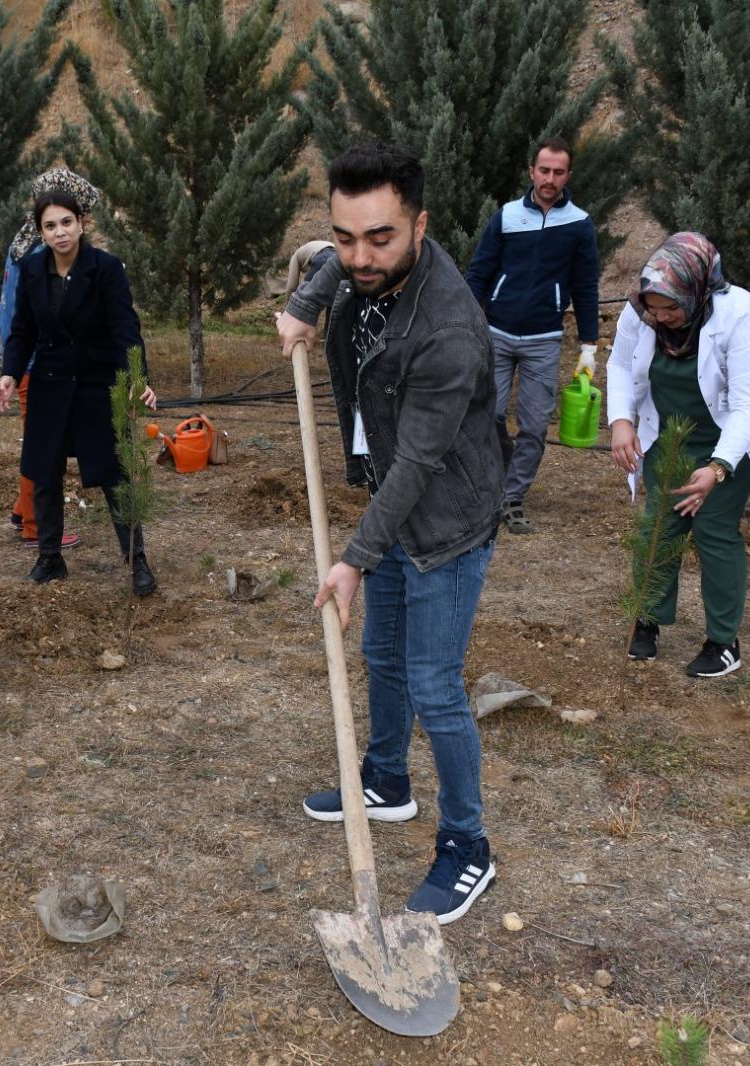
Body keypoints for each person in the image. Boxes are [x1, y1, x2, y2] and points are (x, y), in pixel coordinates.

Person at [276, 142, 503, 926]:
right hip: (393, 504)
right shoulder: (358, 261)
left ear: (421, 225)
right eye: (345, 235)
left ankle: (469, 846)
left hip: (443, 522)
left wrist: (353, 559)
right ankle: (386, 782)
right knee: (379, 654)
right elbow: (335, 265)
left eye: (380, 238)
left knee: (436, 683)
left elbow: (416, 465)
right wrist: (308, 299)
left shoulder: (449, 332)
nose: (359, 255)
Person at [607, 232, 750, 677]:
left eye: (671, 308)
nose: (661, 318)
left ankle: (724, 641)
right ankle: (646, 619)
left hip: (729, 442)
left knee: (713, 532)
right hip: (671, 437)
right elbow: (621, 365)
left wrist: (719, 467)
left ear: (698, 290)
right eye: (654, 308)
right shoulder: (641, 310)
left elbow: (747, 403)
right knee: (658, 528)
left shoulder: (738, 313)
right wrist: (621, 420)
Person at [0, 190, 159, 594]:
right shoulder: (32, 271)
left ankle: (136, 559)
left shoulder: (105, 269)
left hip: (96, 385)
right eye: (50, 226)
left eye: (66, 222)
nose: (60, 232)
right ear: (41, 232)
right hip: (49, 384)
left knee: (114, 474)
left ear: (81, 222)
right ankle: (50, 558)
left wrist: (137, 377)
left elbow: (125, 327)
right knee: (44, 472)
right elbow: (23, 330)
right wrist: (10, 374)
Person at [463, 136, 601, 534]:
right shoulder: (506, 217)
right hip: (496, 333)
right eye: (544, 170)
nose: (550, 178)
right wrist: (471, 323)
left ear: (567, 176)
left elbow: (586, 287)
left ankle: (513, 496)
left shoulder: (578, 224)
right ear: (531, 172)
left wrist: (589, 346)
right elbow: (479, 273)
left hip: (544, 339)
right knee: (486, 413)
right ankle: (489, 485)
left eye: (559, 172)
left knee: (536, 425)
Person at [0, 168, 101, 551]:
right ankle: (35, 525)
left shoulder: (25, 240)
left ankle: (21, 509)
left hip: (26, 357)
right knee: (43, 447)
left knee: (40, 441)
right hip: (39, 362)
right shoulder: (44, 252)